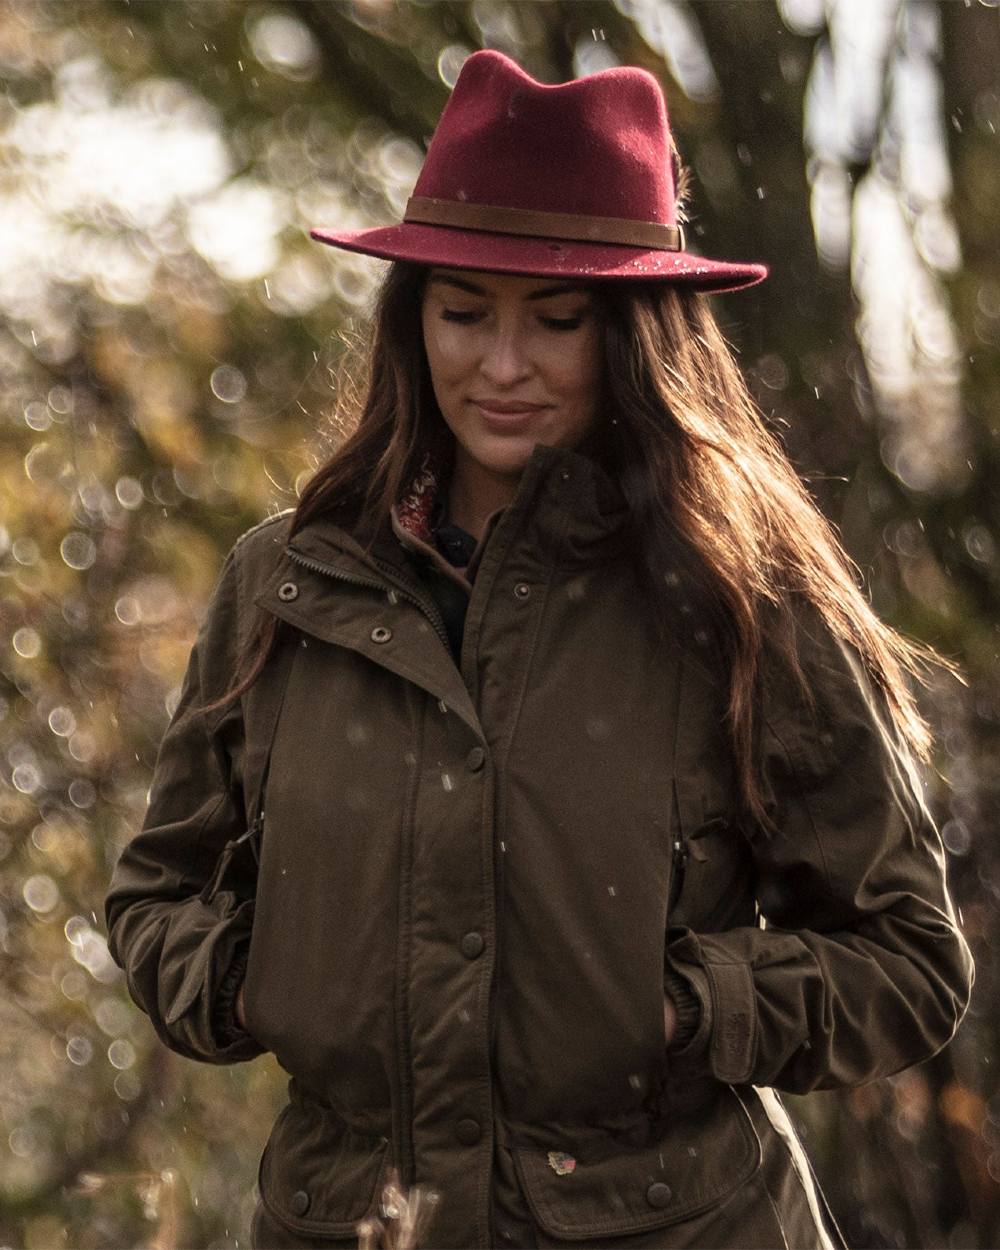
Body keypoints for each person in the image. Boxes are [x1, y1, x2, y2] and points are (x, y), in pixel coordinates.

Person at [104, 49, 974, 1250]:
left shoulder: (745, 601)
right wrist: (254, 984)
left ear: (633, 336)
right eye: (464, 312)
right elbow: (158, 890)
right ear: (413, 318)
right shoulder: (284, 584)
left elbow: (908, 961)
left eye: (557, 321)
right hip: (348, 1224)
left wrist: (680, 1008)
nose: (501, 366)